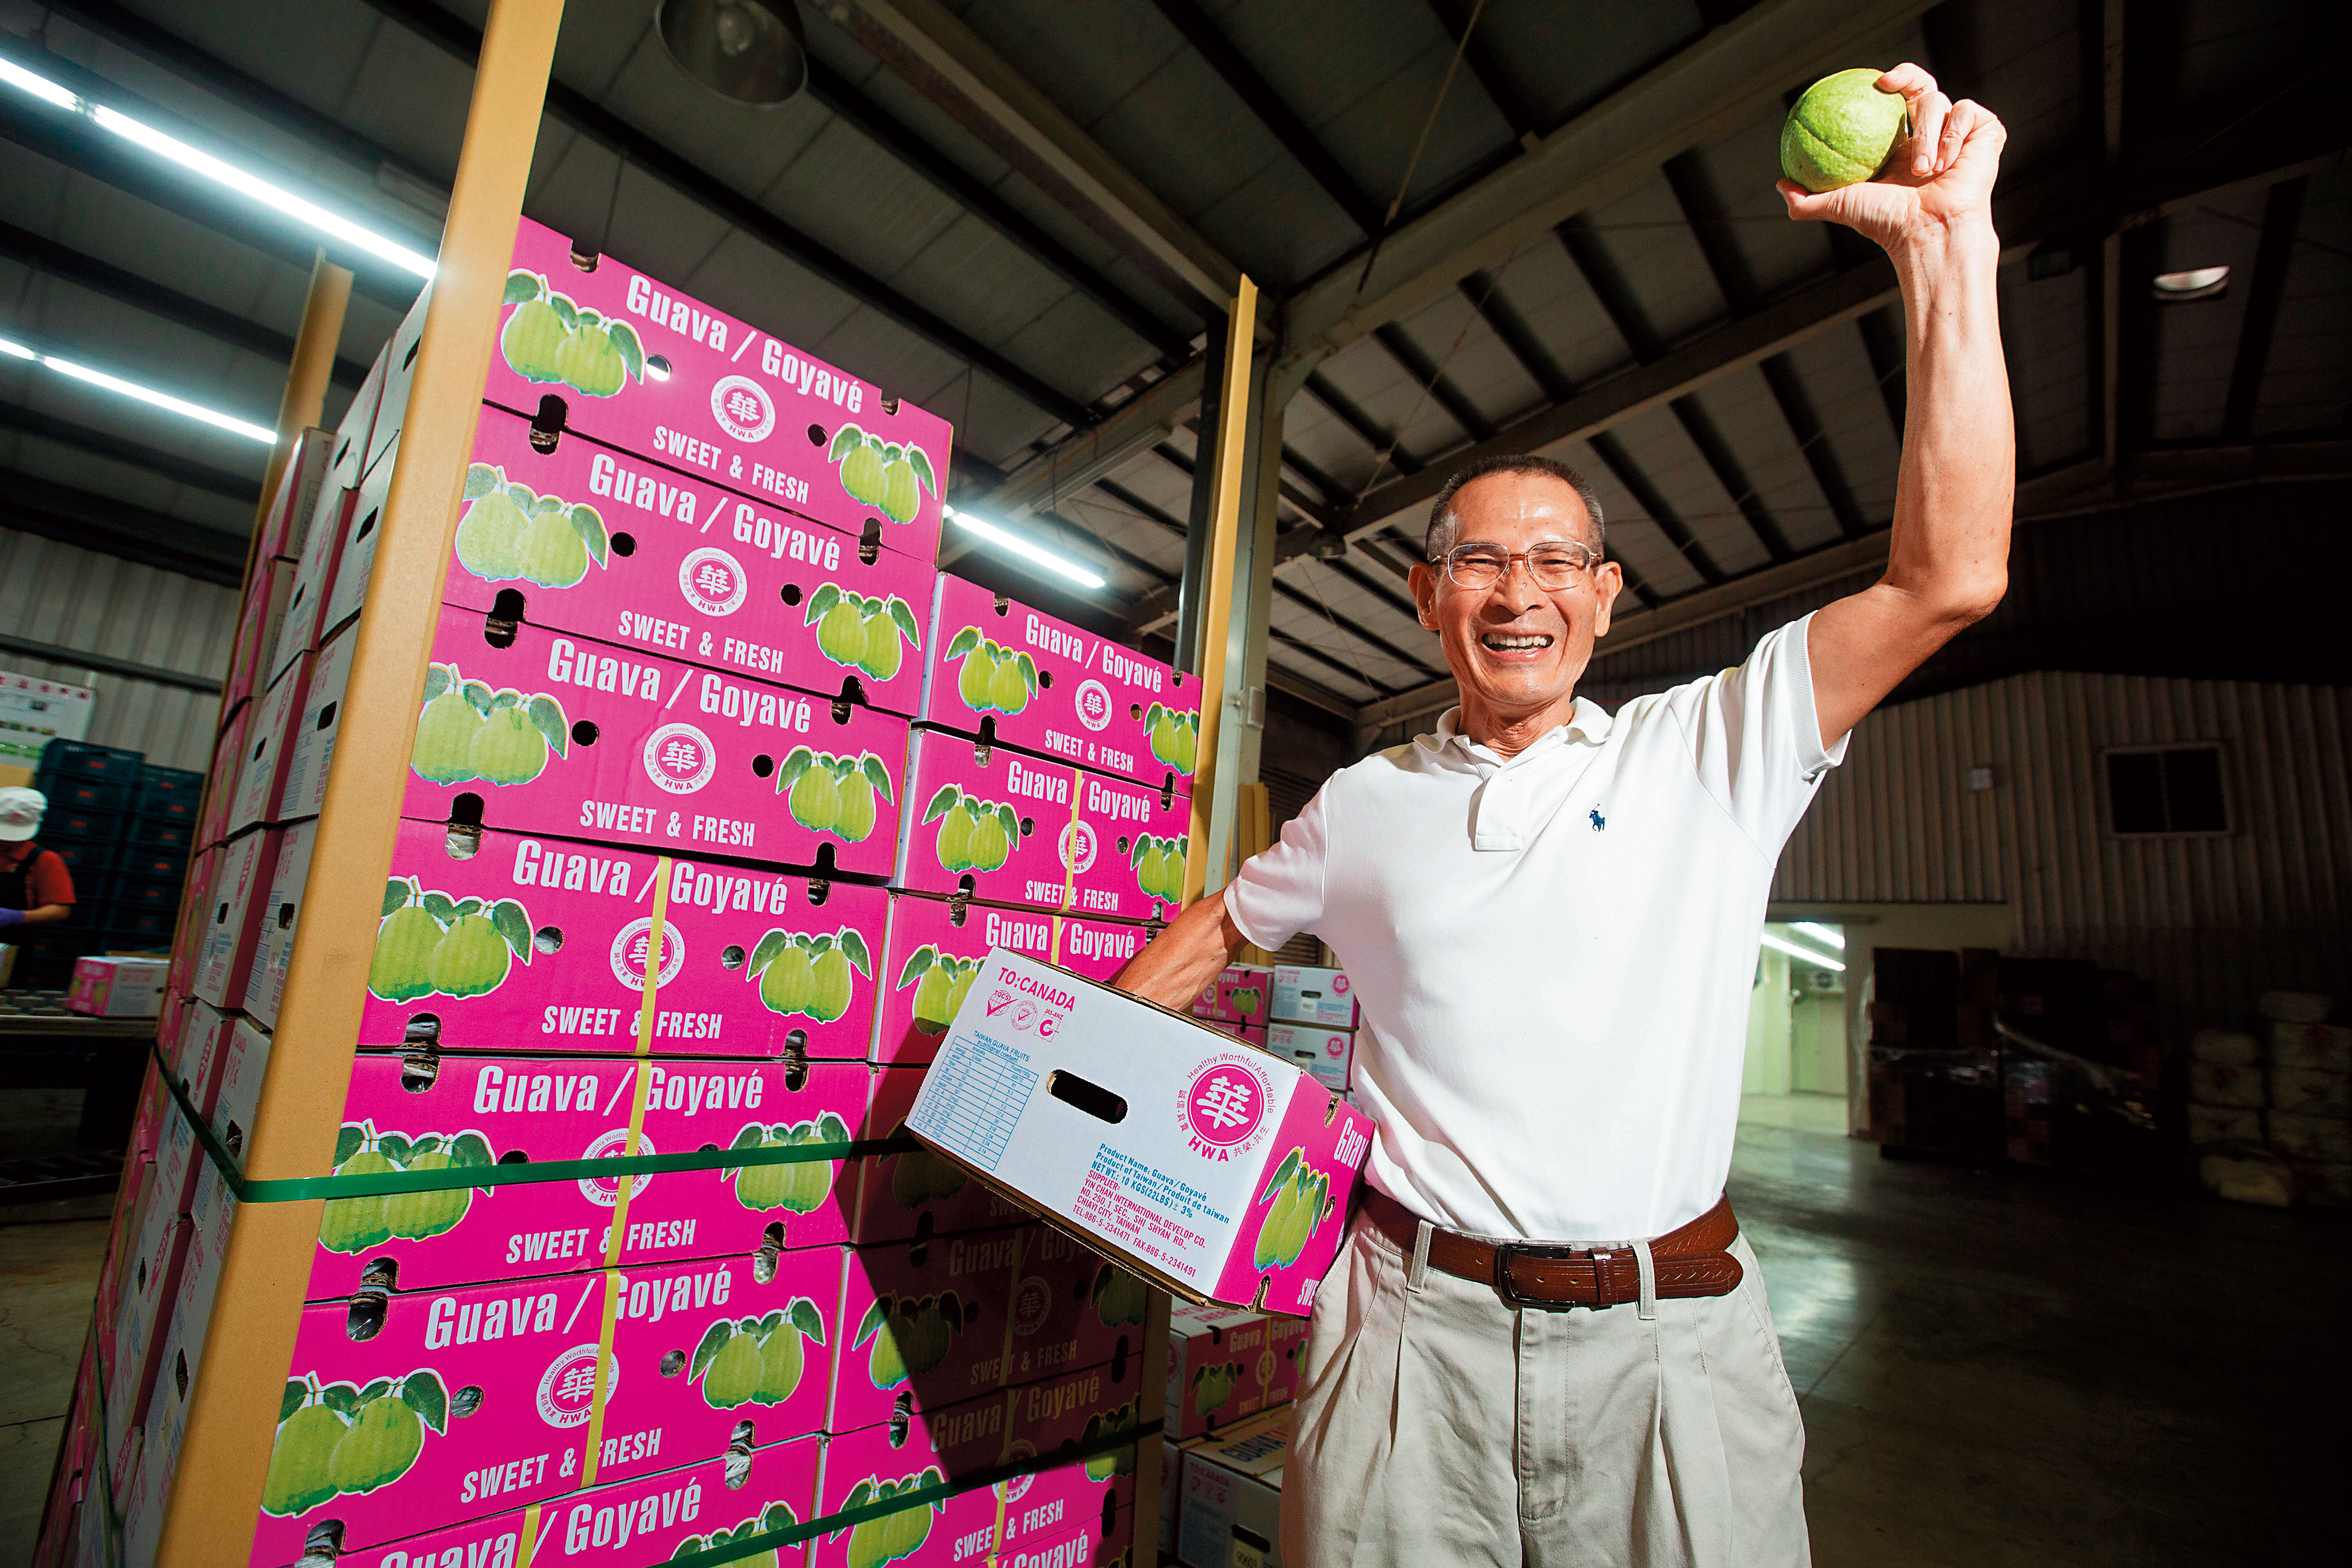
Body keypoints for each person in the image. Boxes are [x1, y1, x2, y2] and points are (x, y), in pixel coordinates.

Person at [1111, 65, 2011, 1568]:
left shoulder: (1710, 746)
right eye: (1477, 561)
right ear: (1425, 596)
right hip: (1404, 1337)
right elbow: (1221, 923)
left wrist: (1944, 248)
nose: (1514, 591)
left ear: (1604, 598)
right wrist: (1064, 1068)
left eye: (1552, 563)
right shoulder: (1363, 802)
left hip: (1672, 1347)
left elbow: (1949, 577)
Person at [0, 786, 78, 934]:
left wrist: (18, 917)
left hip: (10, 942)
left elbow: (61, 910)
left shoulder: (45, 860)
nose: (4, 841)